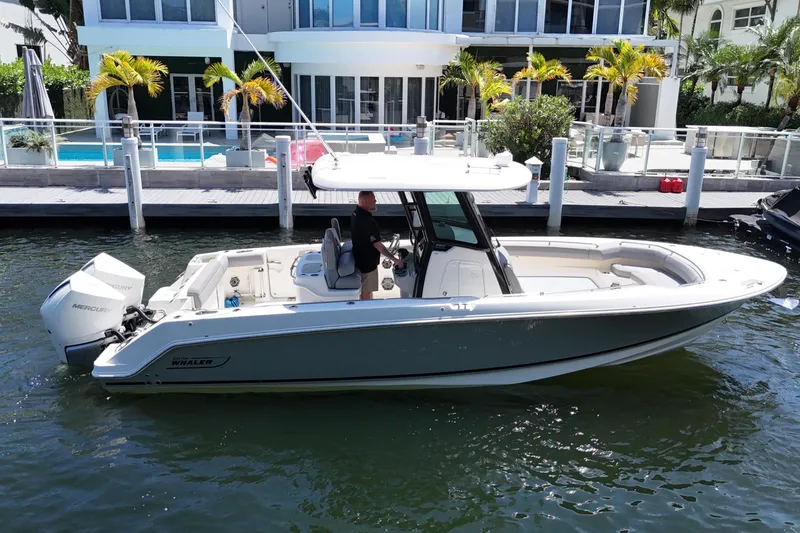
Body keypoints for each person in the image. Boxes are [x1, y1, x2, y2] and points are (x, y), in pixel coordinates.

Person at [351, 191, 403, 300]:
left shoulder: (355, 214)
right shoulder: (367, 221)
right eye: (373, 199)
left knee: (367, 291)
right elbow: (378, 245)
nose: (376, 201)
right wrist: (396, 260)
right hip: (367, 264)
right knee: (366, 292)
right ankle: (367, 314)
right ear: (365, 201)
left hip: (360, 259)